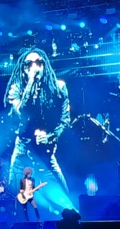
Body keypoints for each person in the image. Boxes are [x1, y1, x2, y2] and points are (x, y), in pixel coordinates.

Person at [5, 47, 71, 197]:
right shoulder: (15, 90)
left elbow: (65, 120)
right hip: (23, 150)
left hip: (45, 152)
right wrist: (31, 82)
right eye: (29, 64)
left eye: (38, 63)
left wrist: (51, 137)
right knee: (13, 195)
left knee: (63, 196)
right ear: (23, 70)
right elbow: (23, 112)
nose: (34, 67)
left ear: (45, 66)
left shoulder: (59, 88)